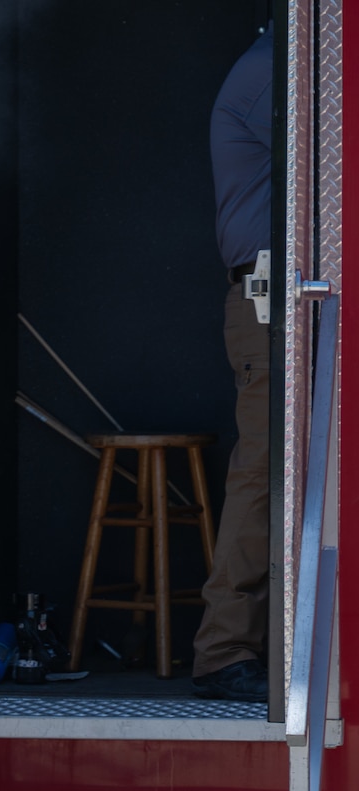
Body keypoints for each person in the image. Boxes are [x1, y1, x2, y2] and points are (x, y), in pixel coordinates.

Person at [193, 28, 275, 701]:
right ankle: (224, 650)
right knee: (262, 471)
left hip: (281, 298)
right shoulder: (271, 73)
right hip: (267, 300)